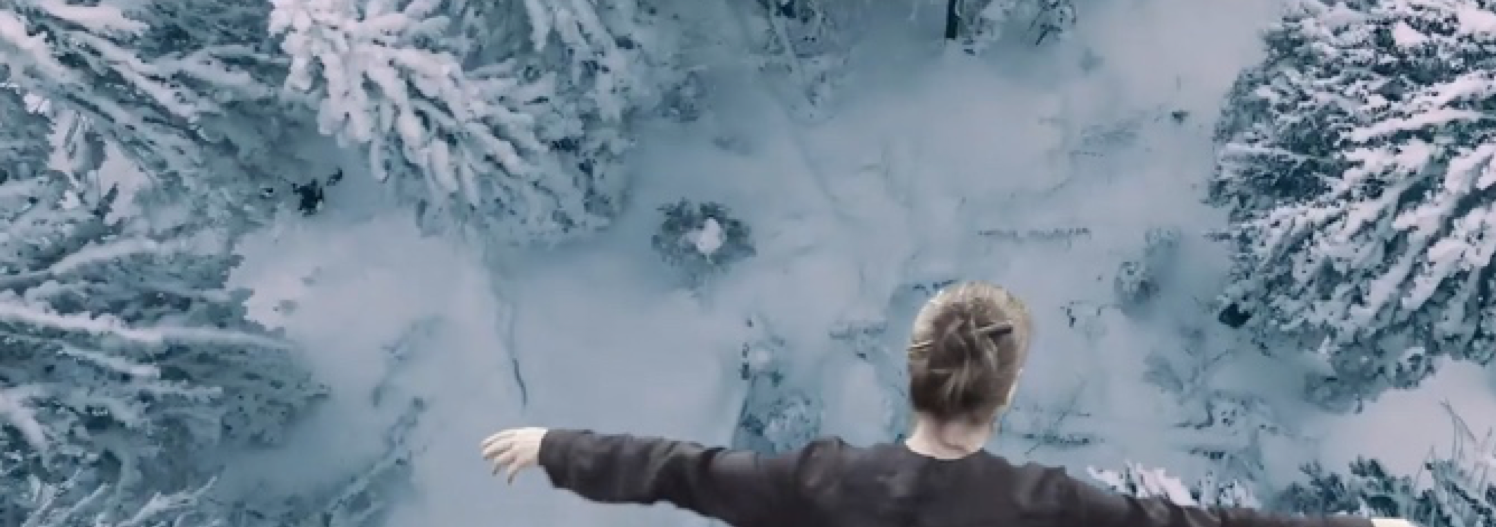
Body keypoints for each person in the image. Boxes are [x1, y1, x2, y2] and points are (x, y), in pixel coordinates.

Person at [480, 281, 1412, 527]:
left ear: (912, 374)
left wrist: (554, 445)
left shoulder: (818, 481)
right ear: (1007, 395)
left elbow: (678, 471)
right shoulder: (1044, 506)